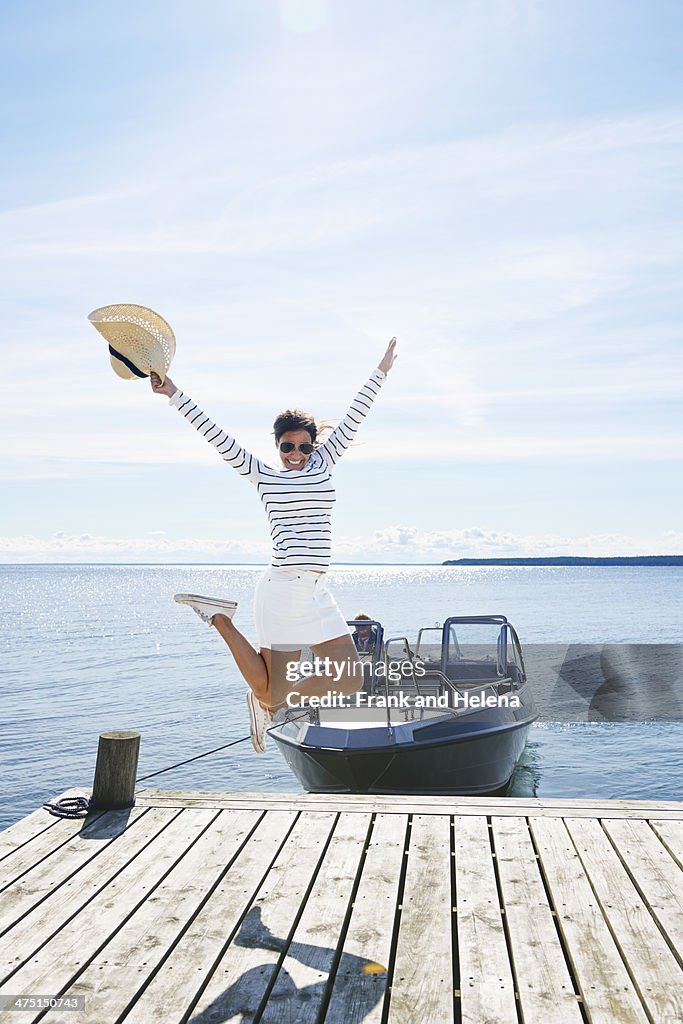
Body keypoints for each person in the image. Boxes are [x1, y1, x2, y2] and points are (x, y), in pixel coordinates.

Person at [150, 337, 397, 752]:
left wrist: (381, 371)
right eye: (287, 446)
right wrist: (172, 391)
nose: (296, 453)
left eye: (303, 446)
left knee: (350, 677)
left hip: (316, 590)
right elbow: (215, 434)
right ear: (277, 446)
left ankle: (264, 696)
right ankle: (220, 619)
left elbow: (357, 414)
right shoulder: (263, 476)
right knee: (271, 694)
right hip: (283, 589)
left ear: (313, 446)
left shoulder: (324, 463)